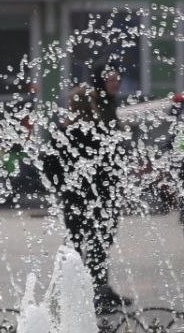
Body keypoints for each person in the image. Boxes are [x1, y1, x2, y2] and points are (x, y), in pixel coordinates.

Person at [46, 82, 130, 312]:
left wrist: (62, 188)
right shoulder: (101, 132)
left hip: (73, 199)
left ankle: (71, 293)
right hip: (102, 199)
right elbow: (115, 165)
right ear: (91, 105)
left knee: (75, 244)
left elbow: (49, 168)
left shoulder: (63, 134)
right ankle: (99, 292)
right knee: (99, 246)